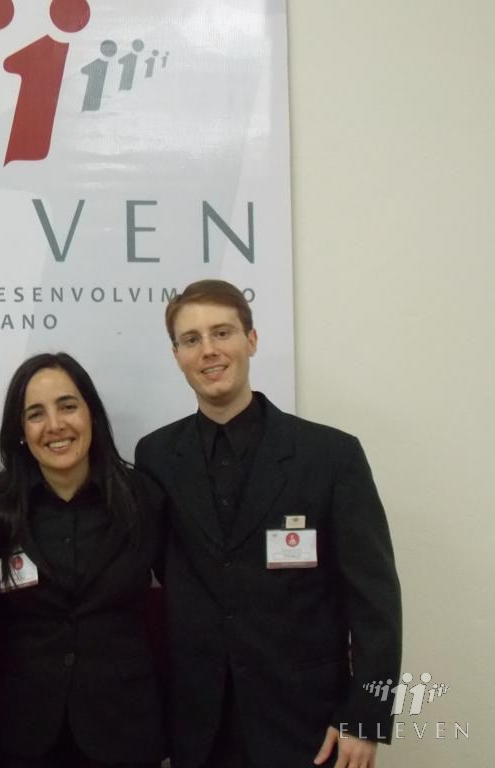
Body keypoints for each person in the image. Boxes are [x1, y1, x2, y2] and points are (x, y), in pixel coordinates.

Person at [134, 279, 402, 768]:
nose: (208, 350)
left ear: (251, 340)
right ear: (177, 355)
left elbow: (374, 601)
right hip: (198, 728)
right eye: (191, 339)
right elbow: (158, 570)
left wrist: (366, 717)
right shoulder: (155, 457)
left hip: (307, 726)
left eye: (222, 333)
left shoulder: (331, 455)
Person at [0, 352, 166, 768]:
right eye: (36, 414)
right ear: (21, 431)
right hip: (25, 735)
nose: (55, 425)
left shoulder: (144, 499)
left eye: (67, 406)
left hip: (125, 731)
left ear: (91, 414)